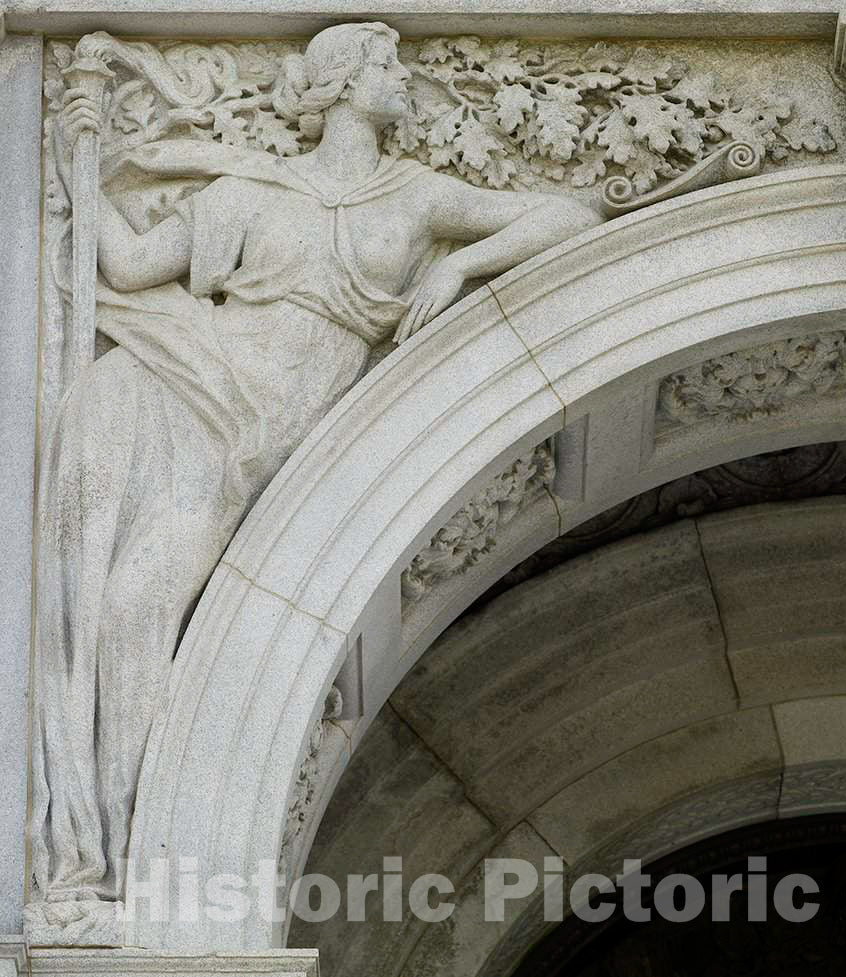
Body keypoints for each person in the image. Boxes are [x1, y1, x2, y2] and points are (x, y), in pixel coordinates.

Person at [32, 21, 602, 909]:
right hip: (171, 384)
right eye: (384, 65)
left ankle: (137, 868)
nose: (403, 81)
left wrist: (460, 272)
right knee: (122, 606)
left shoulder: (414, 198)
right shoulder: (253, 190)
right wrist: (80, 147)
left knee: (138, 603)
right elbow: (130, 264)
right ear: (341, 82)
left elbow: (570, 212)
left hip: (261, 434)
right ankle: (116, 867)